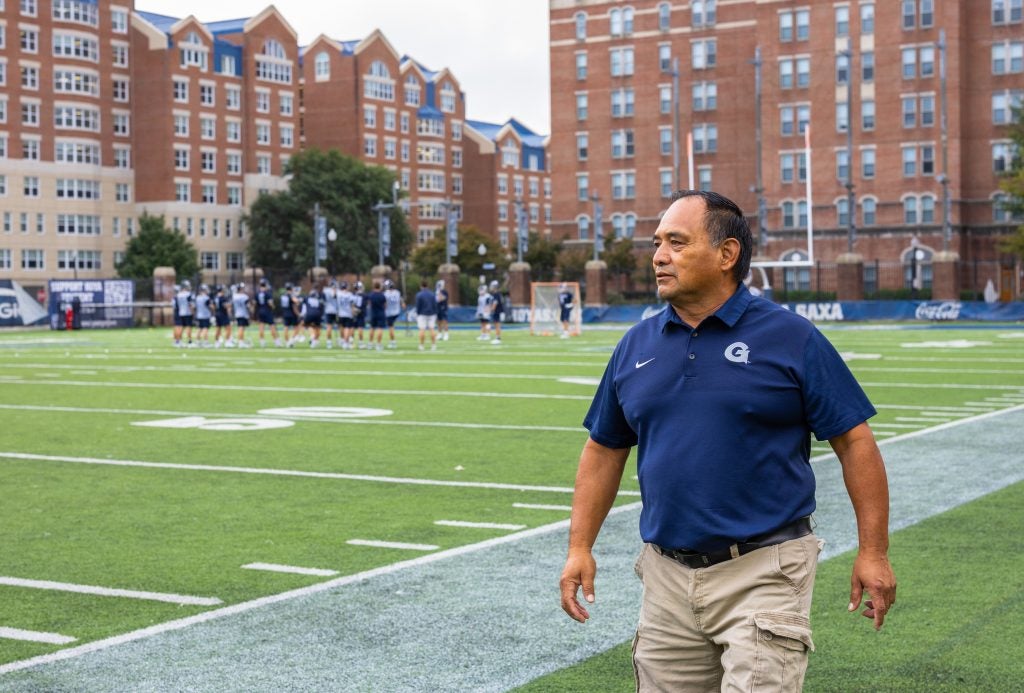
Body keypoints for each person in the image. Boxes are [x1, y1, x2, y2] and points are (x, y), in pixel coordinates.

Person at [558, 190, 896, 692]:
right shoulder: (636, 344)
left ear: (727, 254)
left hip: (764, 569)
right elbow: (605, 447)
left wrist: (874, 550)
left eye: (676, 242)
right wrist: (579, 545)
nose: (658, 256)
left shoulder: (791, 337)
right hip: (666, 576)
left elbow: (854, 442)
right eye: (657, 243)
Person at [255, 278, 282, 347]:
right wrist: (273, 307)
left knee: (261, 327)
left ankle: (262, 342)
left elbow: (255, 303)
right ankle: (277, 342)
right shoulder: (268, 293)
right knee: (272, 326)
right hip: (267, 311)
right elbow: (270, 303)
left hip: (260, 311)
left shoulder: (257, 293)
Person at [414, 279, 438, 351]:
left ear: (421, 286)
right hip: (432, 313)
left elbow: (418, 305)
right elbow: (435, 304)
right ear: (427, 286)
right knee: (432, 329)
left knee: (422, 329)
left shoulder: (419, 294)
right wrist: (435, 312)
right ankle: (433, 345)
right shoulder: (432, 294)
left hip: (422, 314)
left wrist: (417, 313)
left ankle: (421, 345)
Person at [228, 282, 252, 348]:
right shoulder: (245, 296)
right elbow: (248, 305)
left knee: (241, 328)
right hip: (243, 313)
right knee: (241, 328)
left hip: (237, 313)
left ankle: (241, 341)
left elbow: (230, 305)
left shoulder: (234, 296)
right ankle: (240, 342)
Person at [172, 280, 194, 347]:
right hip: (187, 312)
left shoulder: (178, 295)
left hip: (180, 312)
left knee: (180, 327)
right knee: (188, 327)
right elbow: (190, 304)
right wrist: (193, 312)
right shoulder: (188, 294)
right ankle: (189, 342)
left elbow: (174, 305)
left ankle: (178, 341)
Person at [366, 280, 388, 351]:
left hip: (373, 313)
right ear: (380, 287)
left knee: (372, 328)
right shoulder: (382, 295)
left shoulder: (371, 295)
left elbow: (369, 304)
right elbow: (385, 305)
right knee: (380, 329)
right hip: (381, 313)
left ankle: (370, 343)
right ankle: (378, 344)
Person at [383, 279, 404, 349]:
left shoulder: (385, 294)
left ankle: (393, 342)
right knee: (391, 327)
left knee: (391, 328)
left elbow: (385, 304)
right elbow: (401, 300)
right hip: (397, 311)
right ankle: (392, 341)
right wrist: (403, 304)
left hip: (389, 313)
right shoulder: (397, 292)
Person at [337, 280, 357, 349]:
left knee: (341, 327)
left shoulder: (338, 293)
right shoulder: (350, 295)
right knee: (347, 328)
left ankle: (342, 340)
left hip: (340, 313)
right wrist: (354, 312)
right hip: (348, 314)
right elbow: (353, 305)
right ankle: (345, 342)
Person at [322, 279, 340, 348]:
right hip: (335, 311)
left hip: (328, 310)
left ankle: (329, 342)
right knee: (338, 327)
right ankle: (339, 340)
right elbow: (334, 296)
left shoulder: (325, 290)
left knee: (329, 327)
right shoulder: (335, 291)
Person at [487, 280, 504, 345]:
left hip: (497, 311)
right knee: (496, 325)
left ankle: (498, 338)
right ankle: (497, 337)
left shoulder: (496, 294)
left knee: (497, 325)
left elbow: (495, 303)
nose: (491, 287)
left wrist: (491, 309)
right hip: (497, 311)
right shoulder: (496, 294)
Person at [352, 280, 368, 349]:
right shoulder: (364, 295)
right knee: (360, 328)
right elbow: (365, 304)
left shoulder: (352, 294)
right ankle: (360, 343)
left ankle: (350, 343)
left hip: (353, 313)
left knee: (352, 328)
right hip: (361, 312)